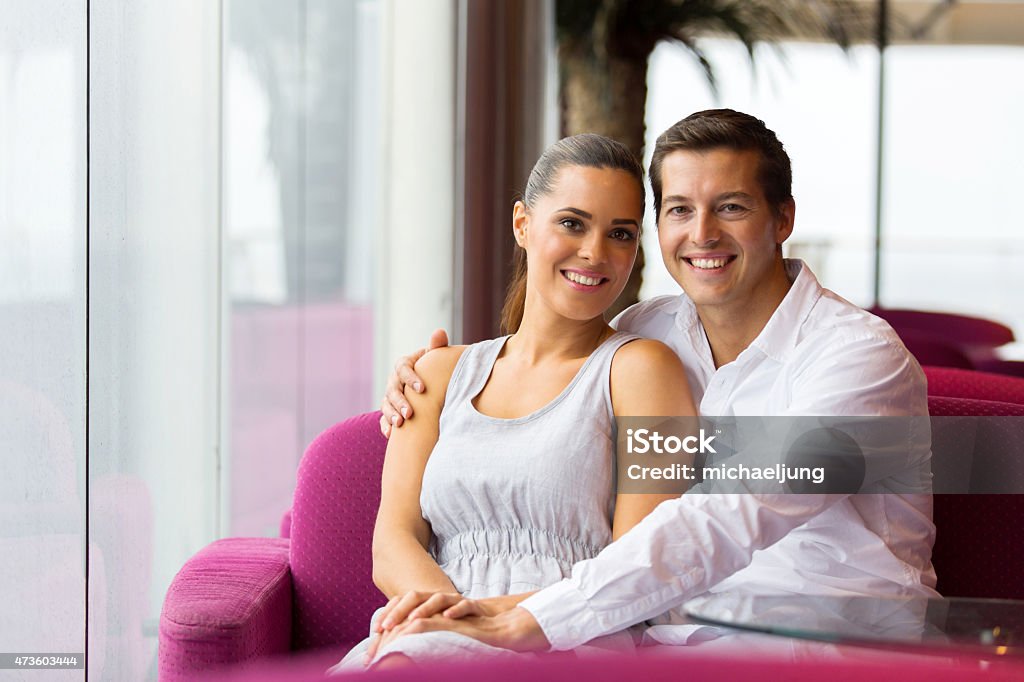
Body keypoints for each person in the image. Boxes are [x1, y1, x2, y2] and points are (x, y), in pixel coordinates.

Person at [373, 109, 936, 655]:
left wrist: (523, 619)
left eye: (731, 208)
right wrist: (423, 378)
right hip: (675, 640)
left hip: (827, 642)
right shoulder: (651, 332)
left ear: (783, 219)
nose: (703, 234)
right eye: (679, 210)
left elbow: (736, 511)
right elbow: (550, 370)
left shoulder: (856, 356)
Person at [328, 134, 695, 672]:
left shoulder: (642, 370)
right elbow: (393, 542)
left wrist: (484, 622)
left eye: (620, 234)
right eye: (572, 223)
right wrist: (451, 622)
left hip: (570, 633)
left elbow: (633, 571)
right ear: (523, 224)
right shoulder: (436, 374)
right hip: (423, 631)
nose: (595, 252)